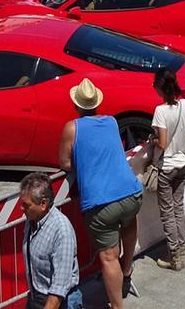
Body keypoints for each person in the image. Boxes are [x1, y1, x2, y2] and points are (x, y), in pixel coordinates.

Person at [59, 79, 142, 308]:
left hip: (100, 202)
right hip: (131, 192)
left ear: (76, 105)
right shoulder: (111, 121)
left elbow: (64, 162)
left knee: (108, 257)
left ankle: (116, 305)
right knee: (128, 224)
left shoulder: (72, 128)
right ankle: (127, 270)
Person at [146, 67, 185, 273]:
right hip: (183, 163)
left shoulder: (160, 111)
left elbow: (163, 143)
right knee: (178, 207)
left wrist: (153, 139)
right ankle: (181, 248)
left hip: (166, 167)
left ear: (160, 86)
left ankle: (174, 256)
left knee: (167, 212)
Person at [20, 172, 81, 309]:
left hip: (59, 302)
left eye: (26, 205)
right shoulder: (32, 220)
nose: (21, 209)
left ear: (43, 204)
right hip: (37, 297)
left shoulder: (61, 230)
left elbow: (59, 288)